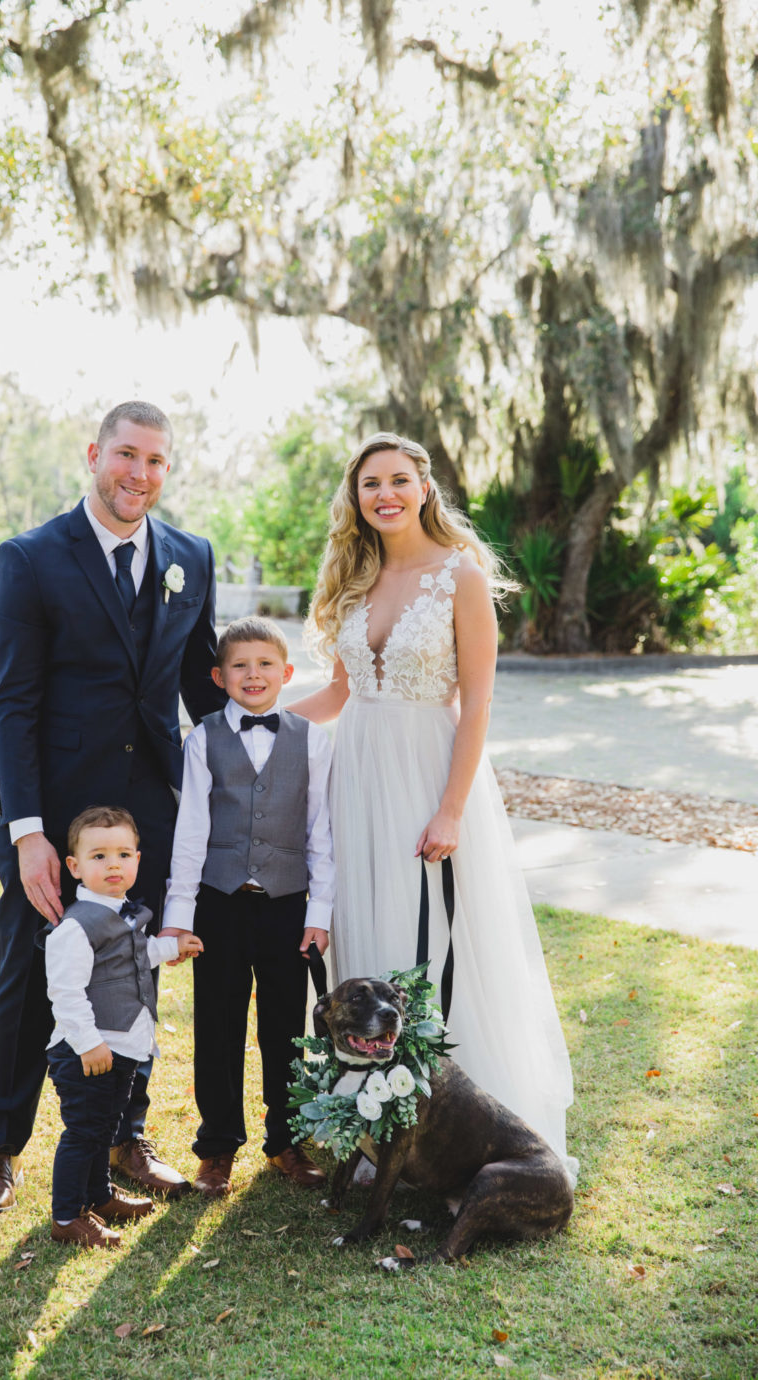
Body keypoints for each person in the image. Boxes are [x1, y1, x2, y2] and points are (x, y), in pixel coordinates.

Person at [290, 433, 576, 1175]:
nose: (384, 494)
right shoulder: (354, 577)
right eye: (369, 484)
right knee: (366, 924)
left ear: (424, 488)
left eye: (398, 480)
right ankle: (375, 1131)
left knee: (437, 944)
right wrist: (253, 721)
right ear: (355, 498)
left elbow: (478, 701)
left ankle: (455, 1132)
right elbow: (339, 693)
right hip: (356, 776)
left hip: (428, 773)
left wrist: (450, 809)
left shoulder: (461, 576)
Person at [0, 400, 226, 1213]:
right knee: (28, 979)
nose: (138, 475)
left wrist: (283, 725)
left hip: (148, 816)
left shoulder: (191, 555)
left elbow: (200, 686)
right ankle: (0, 1148)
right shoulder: (32, 558)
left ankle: (124, 1134)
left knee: (130, 984)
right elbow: (12, 703)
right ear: (93, 455)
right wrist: (31, 834)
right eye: (125, 455)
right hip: (57, 823)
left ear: (166, 470)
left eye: (154, 461)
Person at [161, 617, 334, 1198]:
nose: (252, 675)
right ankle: (216, 1148)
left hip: (287, 904)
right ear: (218, 676)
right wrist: (179, 916)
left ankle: (286, 1139)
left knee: (285, 1027)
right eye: (239, 665)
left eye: (265, 665)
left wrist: (320, 912)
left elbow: (321, 834)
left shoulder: (312, 739)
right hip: (218, 904)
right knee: (217, 1024)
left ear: (286, 674)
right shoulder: (202, 739)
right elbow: (190, 833)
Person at [44, 806, 203, 1248]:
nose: (113, 864)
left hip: (123, 1048)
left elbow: (133, 956)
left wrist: (172, 946)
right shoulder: (76, 927)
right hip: (88, 1053)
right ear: (74, 866)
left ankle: (98, 1195)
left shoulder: (124, 914)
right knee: (83, 1133)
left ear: (137, 859)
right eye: (98, 856)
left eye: (123, 854)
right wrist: (89, 1044)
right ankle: (67, 1216)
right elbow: (66, 993)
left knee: (107, 1127)